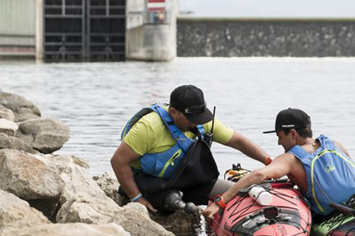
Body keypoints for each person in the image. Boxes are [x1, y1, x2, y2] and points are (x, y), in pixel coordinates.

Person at [111, 85, 271, 214]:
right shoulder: (149, 127)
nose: (197, 123)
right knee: (172, 199)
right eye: (192, 119)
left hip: (187, 181)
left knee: (237, 192)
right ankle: (132, 193)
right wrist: (136, 198)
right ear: (173, 112)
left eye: (200, 118)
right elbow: (118, 162)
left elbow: (238, 142)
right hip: (151, 183)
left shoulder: (201, 121)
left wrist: (269, 162)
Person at [202, 108, 355, 222]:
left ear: (293, 134)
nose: (279, 143)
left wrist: (220, 202)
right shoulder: (334, 144)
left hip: (331, 215)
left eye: (280, 136)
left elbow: (258, 176)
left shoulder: (290, 159)